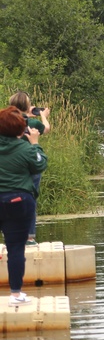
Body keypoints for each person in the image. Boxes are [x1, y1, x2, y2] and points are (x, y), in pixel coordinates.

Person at [0, 106, 48, 306]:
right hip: (18, 201)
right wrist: (35, 144)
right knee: (16, 248)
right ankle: (15, 294)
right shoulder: (26, 148)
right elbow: (40, 165)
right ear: (21, 130)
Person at [8, 93, 50, 247]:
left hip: (12, 165)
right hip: (30, 164)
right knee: (30, 200)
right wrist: (43, 116)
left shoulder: (6, 123)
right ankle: (30, 238)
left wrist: (25, 113)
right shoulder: (32, 123)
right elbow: (46, 129)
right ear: (27, 106)